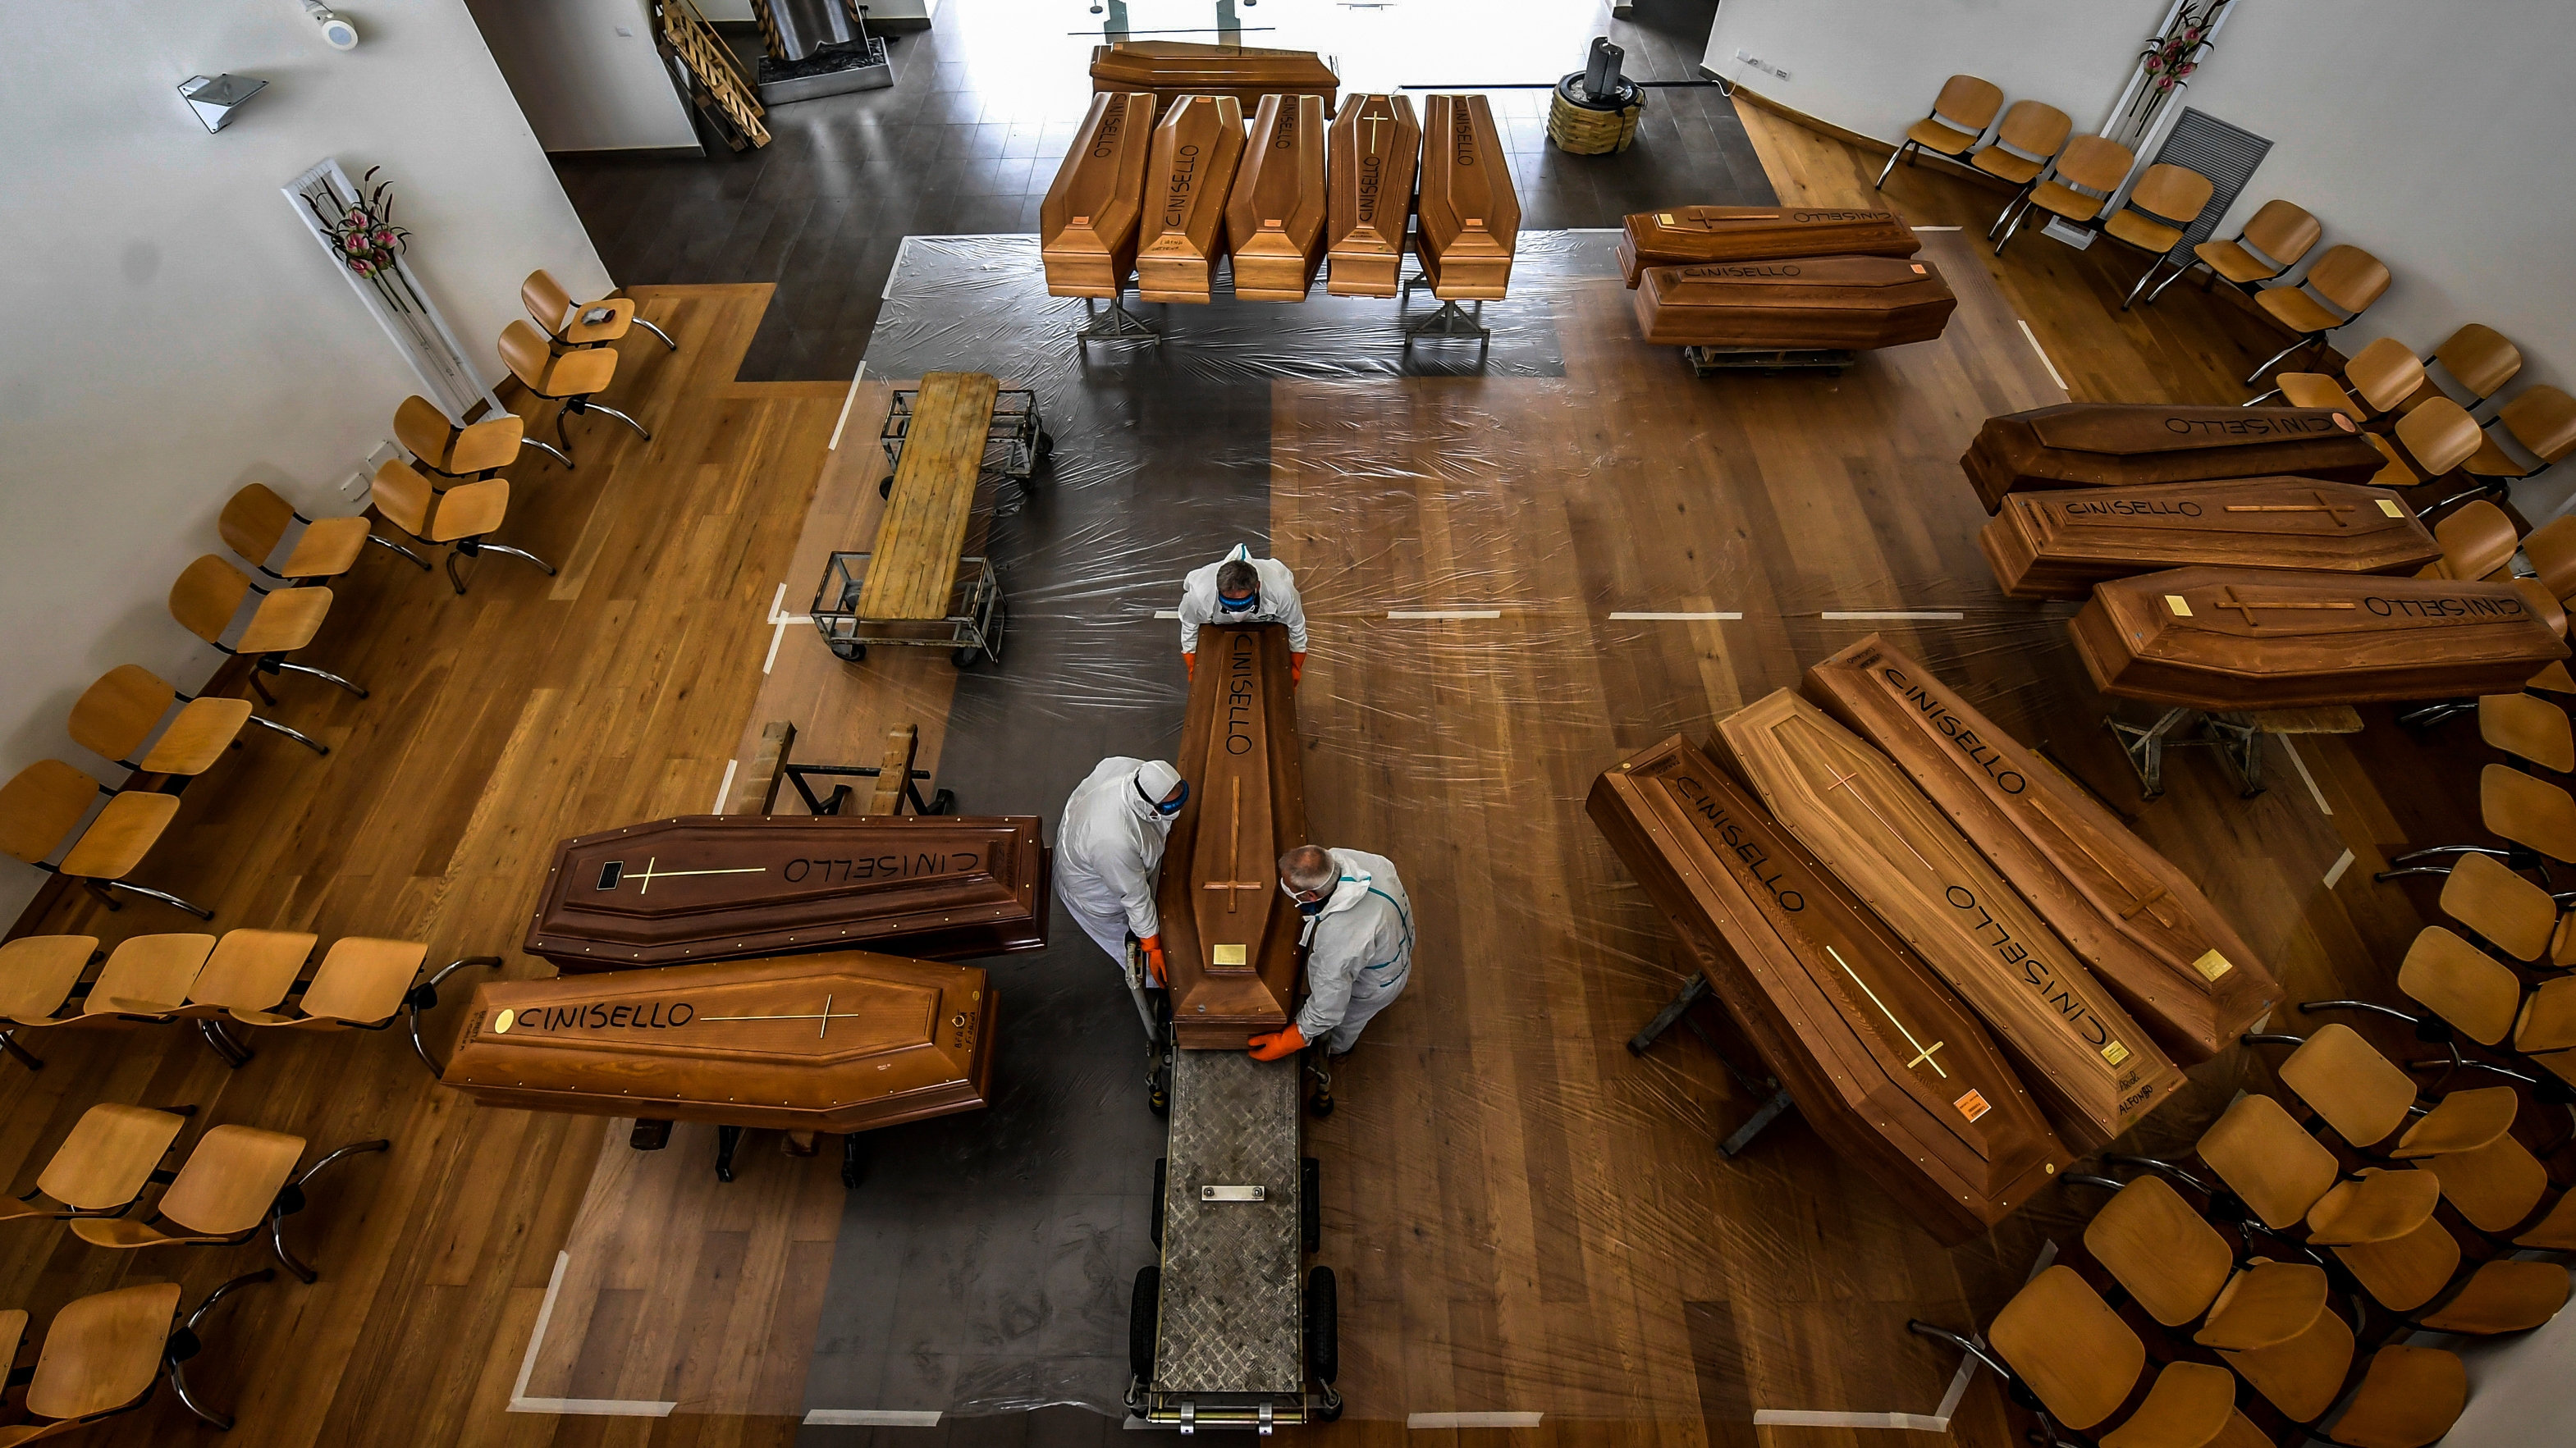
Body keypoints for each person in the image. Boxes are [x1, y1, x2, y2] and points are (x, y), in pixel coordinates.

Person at [1247, 844, 1413, 1111]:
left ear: (1311, 894)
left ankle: (1339, 1049)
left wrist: (1293, 1037)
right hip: (1396, 941)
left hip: (1377, 983)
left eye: (1291, 889)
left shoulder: (1340, 938)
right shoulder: (1360, 860)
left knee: (1345, 1024)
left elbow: (1328, 1009)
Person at [1056, 757, 1189, 1038]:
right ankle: (1167, 988)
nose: (1176, 810)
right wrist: (1152, 944)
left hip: (1087, 840)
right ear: (1148, 805)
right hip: (1095, 891)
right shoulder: (1113, 841)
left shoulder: (1131, 769)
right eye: (1169, 807)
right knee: (1129, 940)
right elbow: (1134, 897)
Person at [1178, 544, 1309, 687]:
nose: (1236, 613)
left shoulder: (1281, 592)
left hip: (1266, 618)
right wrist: (1193, 664)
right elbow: (1190, 625)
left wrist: (1295, 665)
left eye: (1242, 604)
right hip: (1217, 619)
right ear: (1218, 589)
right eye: (1229, 603)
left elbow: (1296, 626)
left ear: (1257, 587)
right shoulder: (1199, 596)